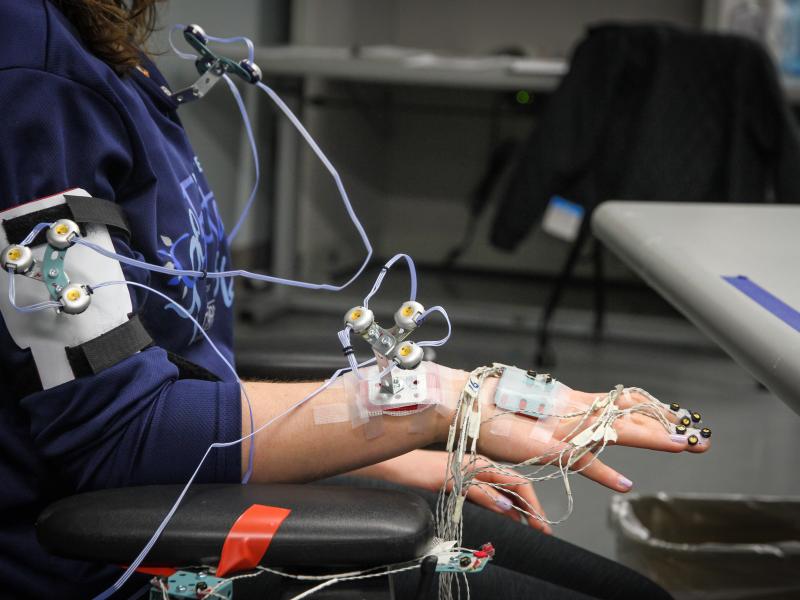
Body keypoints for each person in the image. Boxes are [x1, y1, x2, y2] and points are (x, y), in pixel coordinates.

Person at [0, 2, 707, 598]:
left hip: (191, 481)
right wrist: (435, 401)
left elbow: (171, 374)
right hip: (110, 555)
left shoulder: (102, 41)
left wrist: (369, 456)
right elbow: (121, 437)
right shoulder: (29, 74)